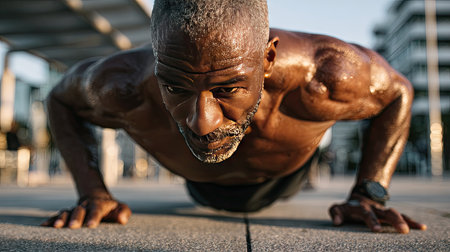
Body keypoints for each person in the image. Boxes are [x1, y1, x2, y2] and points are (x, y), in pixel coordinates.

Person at [42, 0, 426, 233]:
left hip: (283, 177)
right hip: (197, 178)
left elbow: (398, 93)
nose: (201, 122)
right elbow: (59, 99)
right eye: (176, 88)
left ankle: (306, 173)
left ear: (268, 59)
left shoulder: (324, 75)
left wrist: (369, 194)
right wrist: (92, 190)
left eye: (227, 89)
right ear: (158, 64)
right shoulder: (120, 83)